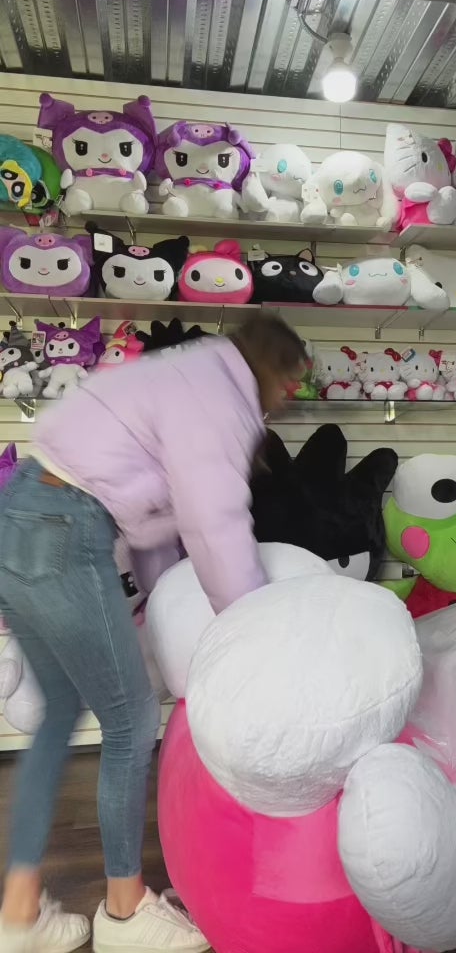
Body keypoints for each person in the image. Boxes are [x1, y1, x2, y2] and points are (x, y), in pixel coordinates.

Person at [0, 314, 308, 953]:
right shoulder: (220, 395)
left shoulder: (179, 372)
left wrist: (169, 604)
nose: (290, 397)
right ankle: (125, 910)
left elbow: (151, 525)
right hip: (65, 526)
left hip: (18, 510)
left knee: (59, 711)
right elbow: (214, 519)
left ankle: (20, 912)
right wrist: (255, 625)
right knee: (132, 723)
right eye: (292, 382)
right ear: (272, 365)